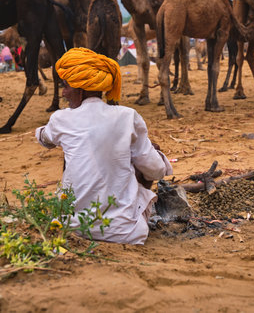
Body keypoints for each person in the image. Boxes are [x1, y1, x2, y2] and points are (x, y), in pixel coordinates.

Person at [35, 47, 172, 245]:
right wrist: (158, 155)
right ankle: (124, 213)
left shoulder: (61, 119)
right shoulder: (127, 116)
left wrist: (48, 131)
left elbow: (43, 138)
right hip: (126, 234)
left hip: (71, 229)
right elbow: (156, 170)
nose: (63, 93)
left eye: (66, 86)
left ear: (80, 89)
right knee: (143, 154)